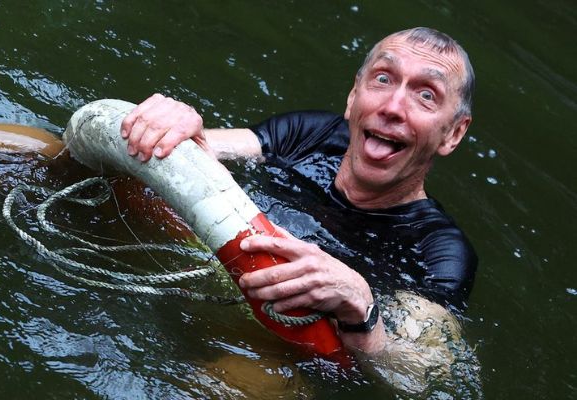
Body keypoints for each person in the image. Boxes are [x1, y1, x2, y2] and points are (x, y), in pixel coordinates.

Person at [118, 26, 478, 369]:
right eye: (383, 79)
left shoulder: (438, 252)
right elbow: (196, 149)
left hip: (285, 355)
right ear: (354, 96)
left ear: (453, 133)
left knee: (239, 380)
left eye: (426, 95)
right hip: (178, 271)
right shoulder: (311, 136)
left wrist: (361, 305)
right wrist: (173, 126)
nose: (393, 107)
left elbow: (416, 372)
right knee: (66, 155)